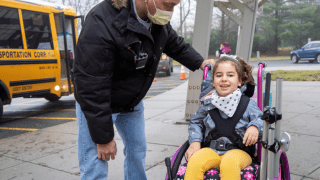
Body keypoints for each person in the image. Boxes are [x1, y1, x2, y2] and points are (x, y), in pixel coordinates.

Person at [72, 0, 214, 179]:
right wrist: (103, 137)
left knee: (137, 151)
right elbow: (91, 84)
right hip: (98, 103)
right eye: (168, 4)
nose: (170, 11)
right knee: (96, 163)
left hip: (131, 101)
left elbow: (175, 44)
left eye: (174, 6)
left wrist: (200, 62)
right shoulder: (101, 21)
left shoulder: (156, 19)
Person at [184, 56, 263, 180]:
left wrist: (254, 127)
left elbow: (261, 118)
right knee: (195, 162)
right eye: (219, 75)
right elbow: (195, 121)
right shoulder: (208, 102)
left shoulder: (247, 104)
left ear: (239, 81)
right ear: (213, 81)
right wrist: (195, 141)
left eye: (230, 75)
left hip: (239, 151)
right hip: (211, 149)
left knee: (229, 163)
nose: (224, 79)